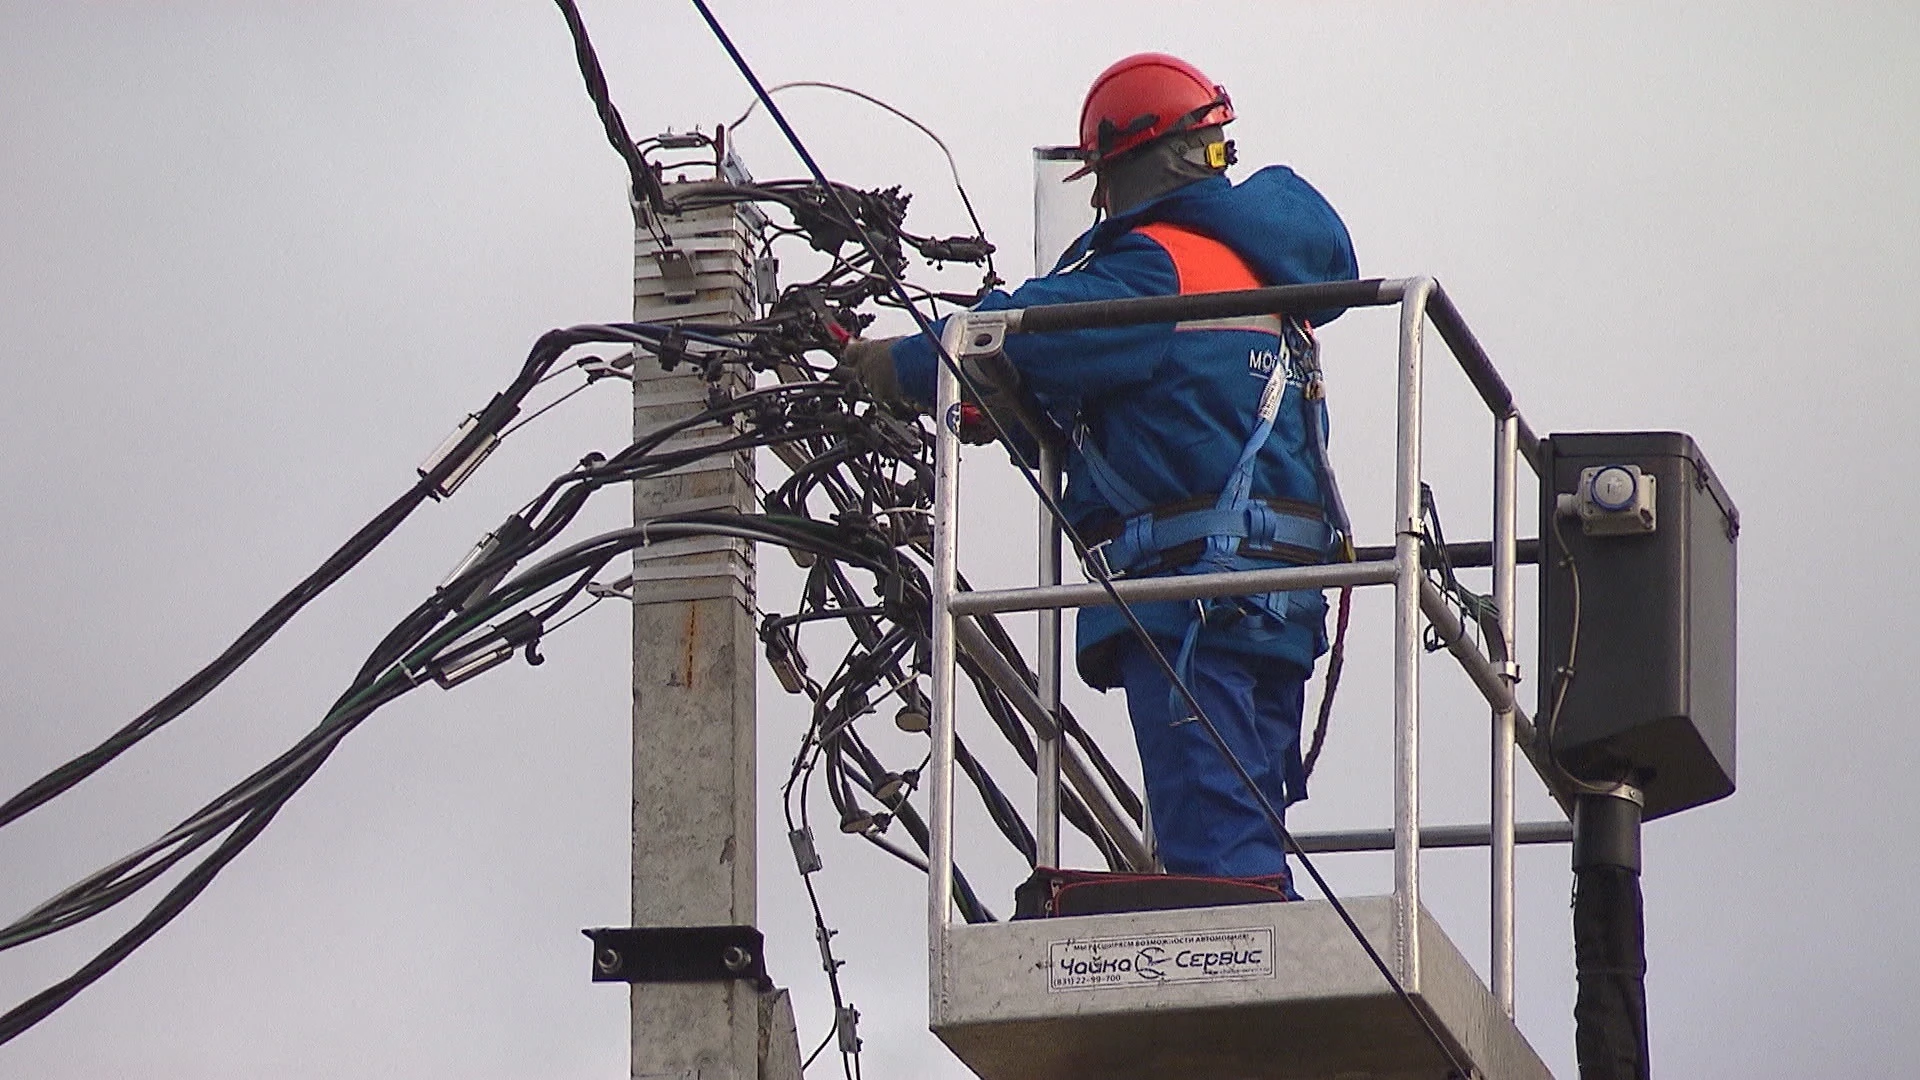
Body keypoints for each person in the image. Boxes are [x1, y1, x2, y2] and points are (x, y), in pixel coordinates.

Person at [840, 53, 1358, 887]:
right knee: (1245, 823)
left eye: (1103, 180)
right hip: (1280, 596)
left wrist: (896, 363)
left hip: (1194, 602)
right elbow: (1176, 403)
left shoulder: (1153, 266)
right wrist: (1003, 412)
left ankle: (1230, 999)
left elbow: (1025, 328)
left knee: (1219, 867)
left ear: (1133, 166)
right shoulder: (1265, 267)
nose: (1099, 202)